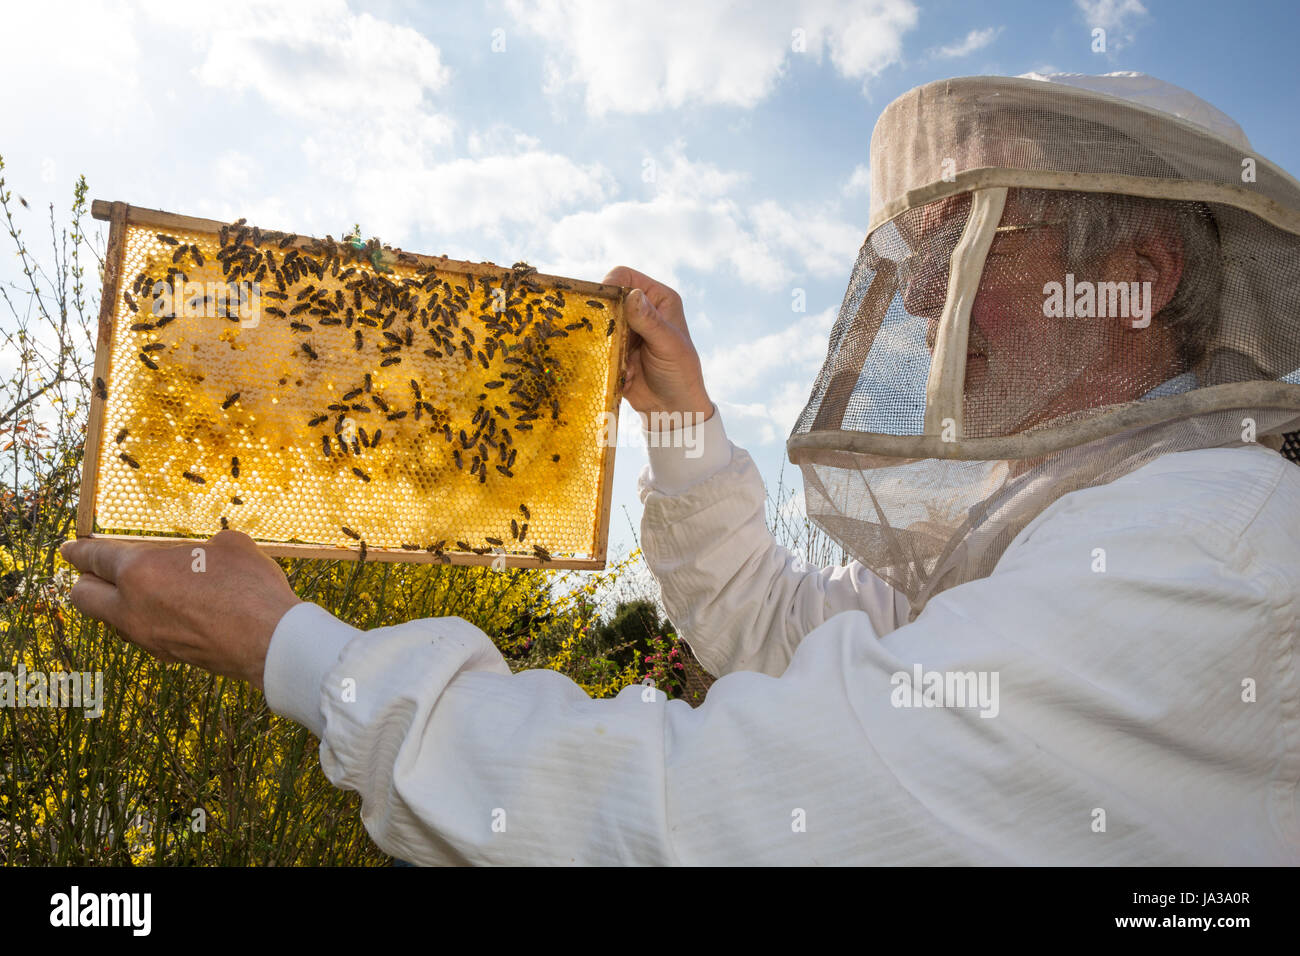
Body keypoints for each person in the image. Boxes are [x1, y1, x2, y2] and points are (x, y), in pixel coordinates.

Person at [62, 73, 1300, 864]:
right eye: (920, 253)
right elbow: (781, 635)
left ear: (1138, 274)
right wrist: (681, 422)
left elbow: (707, 814)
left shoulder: (1202, 547)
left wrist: (296, 648)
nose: (922, 299)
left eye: (975, 242)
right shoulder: (1060, 525)